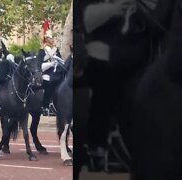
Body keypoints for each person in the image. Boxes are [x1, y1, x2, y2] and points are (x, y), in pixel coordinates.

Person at [81, 0, 153, 170]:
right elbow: (87, 20)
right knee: (105, 88)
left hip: (140, 49)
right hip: (104, 52)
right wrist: (113, 9)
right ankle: (97, 146)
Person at [38, 19, 63, 116]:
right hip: (46, 73)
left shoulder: (56, 50)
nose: (53, 40)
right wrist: (50, 64)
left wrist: (59, 62)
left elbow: (61, 60)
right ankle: (45, 105)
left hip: (56, 71)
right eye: (51, 38)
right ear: (47, 39)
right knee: (49, 82)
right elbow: (40, 65)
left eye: (53, 38)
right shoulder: (42, 51)